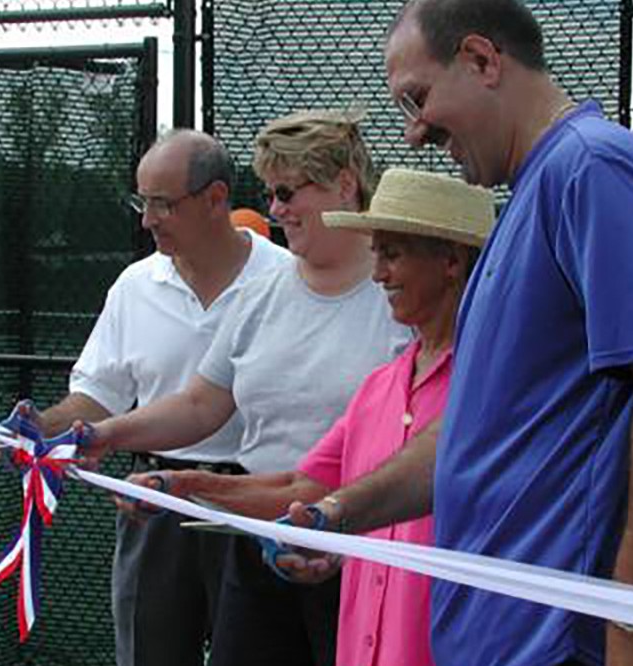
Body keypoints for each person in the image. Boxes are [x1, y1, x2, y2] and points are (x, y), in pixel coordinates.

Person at [282, 2, 633, 666]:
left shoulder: (595, 167)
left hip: (558, 644)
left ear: (482, 60)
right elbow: (476, 434)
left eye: (417, 98)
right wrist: (339, 515)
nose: (413, 132)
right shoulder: (530, 196)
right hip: (491, 641)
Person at [120, 168, 495, 666]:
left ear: (451, 261)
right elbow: (302, 487)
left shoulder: (498, 390)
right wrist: (180, 486)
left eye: (393, 254)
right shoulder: (379, 389)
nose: (378, 274)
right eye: (376, 254)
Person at [81, 110, 412, 666]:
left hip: (365, 548)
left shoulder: (399, 294)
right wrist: (105, 433)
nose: (275, 210)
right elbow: (200, 404)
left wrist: (343, 523)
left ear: (345, 185)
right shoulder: (260, 293)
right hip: (259, 545)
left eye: (286, 192)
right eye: (269, 193)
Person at [19, 130, 292, 666]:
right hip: (153, 506)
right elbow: (98, 397)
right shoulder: (134, 286)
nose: (147, 220)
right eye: (141, 202)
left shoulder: (287, 279)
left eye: (163, 204)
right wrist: (42, 428)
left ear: (216, 198)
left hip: (257, 507)